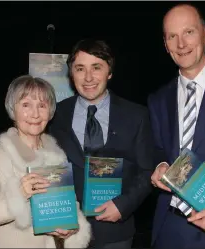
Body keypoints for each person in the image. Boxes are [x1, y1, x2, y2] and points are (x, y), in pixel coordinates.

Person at [49, 39, 155, 249]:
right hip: (67, 230)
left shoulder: (137, 115)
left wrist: (123, 205)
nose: (88, 77)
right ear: (71, 74)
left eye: (96, 67)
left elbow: (147, 170)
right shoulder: (54, 115)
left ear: (109, 72)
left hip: (116, 233)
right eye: (80, 69)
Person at [0, 75, 91, 248]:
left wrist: (71, 229)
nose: (35, 114)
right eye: (26, 105)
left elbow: (69, 208)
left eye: (42, 105)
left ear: (50, 110)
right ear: (12, 109)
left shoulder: (58, 157)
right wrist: (18, 195)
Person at [149, 3, 205, 249]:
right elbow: (158, 149)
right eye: (172, 36)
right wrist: (160, 165)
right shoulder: (158, 99)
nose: (181, 44)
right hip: (169, 229)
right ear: (166, 45)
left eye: (189, 32)